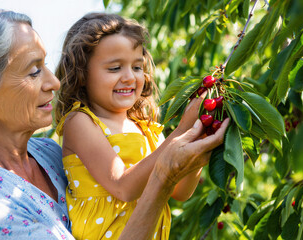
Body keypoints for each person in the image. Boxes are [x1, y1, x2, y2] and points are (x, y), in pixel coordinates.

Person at [0, 8, 229, 240]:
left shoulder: (47, 154)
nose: (54, 82)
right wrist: (166, 170)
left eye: (46, 66)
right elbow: (125, 186)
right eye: (34, 72)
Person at [54, 13, 209, 240]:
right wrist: (181, 131)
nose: (129, 77)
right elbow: (123, 187)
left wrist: (200, 133)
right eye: (115, 68)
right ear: (82, 74)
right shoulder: (80, 122)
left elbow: (181, 191)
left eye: (137, 67)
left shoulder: (147, 129)